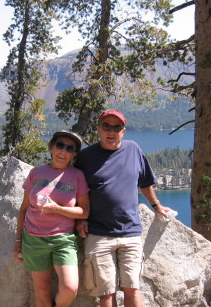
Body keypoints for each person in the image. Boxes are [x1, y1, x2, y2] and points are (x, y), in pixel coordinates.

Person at [74, 109, 171, 307]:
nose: (111, 131)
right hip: (98, 233)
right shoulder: (86, 157)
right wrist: (80, 218)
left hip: (130, 232)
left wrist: (156, 206)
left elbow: (145, 182)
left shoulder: (133, 149)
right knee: (106, 292)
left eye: (116, 127)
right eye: (106, 126)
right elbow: (76, 190)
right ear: (98, 129)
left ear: (123, 131)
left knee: (133, 288)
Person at [13, 131, 90, 307]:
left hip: (63, 240)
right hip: (33, 240)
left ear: (74, 155)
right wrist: (18, 241)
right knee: (42, 289)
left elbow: (84, 212)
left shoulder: (77, 176)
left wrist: (58, 209)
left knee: (70, 288)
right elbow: (24, 209)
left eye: (70, 148)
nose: (63, 151)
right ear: (51, 148)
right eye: (60, 145)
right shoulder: (36, 173)